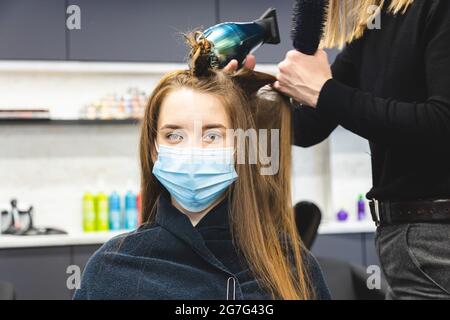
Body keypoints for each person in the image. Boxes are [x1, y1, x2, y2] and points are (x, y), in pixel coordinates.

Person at [73, 31, 331, 300]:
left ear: (239, 148)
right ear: (153, 150)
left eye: (212, 136)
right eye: (174, 135)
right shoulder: (112, 267)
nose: (192, 151)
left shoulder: (291, 265)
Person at [229, 0, 450, 299]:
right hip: (399, 241)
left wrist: (323, 91)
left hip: (437, 239)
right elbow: (308, 127)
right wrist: (243, 96)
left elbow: (441, 123)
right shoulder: (373, 26)